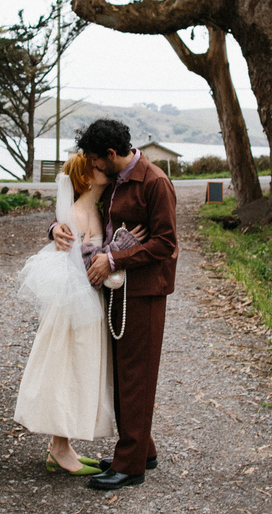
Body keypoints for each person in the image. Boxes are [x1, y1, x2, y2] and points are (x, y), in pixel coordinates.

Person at [53, 119, 178, 490]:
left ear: (110, 154)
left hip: (145, 293)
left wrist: (115, 260)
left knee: (137, 376)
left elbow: (166, 244)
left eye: (94, 159)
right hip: (117, 292)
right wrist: (55, 229)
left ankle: (131, 466)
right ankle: (143, 450)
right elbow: (80, 209)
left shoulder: (154, 182)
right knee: (124, 375)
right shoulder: (114, 183)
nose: (92, 167)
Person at [14, 153, 115, 476]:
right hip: (77, 304)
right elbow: (78, 263)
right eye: (96, 167)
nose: (103, 169)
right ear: (84, 177)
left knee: (77, 369)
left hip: (85, 301)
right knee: (70, 368)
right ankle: (59, 448)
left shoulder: (94, 208)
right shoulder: (79, 213)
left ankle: (63, 445)